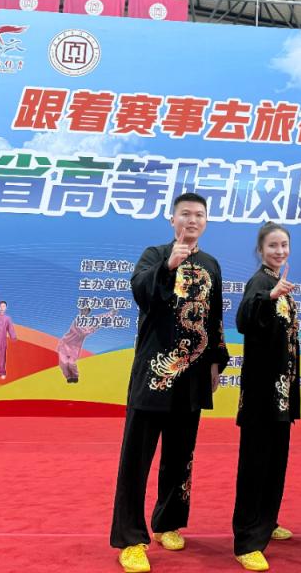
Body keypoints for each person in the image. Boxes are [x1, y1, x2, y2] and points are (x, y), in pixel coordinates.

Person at [111, 192, 229, 573]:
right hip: (154, 374)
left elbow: (214, 318)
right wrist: (168, 266)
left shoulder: (211, 264)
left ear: (206, 222)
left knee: (181, 455)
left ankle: (168, 523)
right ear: (172, 219)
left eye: (199, 215)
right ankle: (130, 539)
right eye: (185, 214)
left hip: (193, 377)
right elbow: (140, 293)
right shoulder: (154, 255)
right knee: (137, 458)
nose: (192, 220)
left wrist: (215, 362)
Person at [231, 222, 301, 572]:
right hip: (261, 395)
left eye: (284, 244)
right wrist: (269, 296)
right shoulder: (260, 283)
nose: (279, 251)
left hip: (281, 395)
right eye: (273, 245)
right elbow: (243, 320)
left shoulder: (279, 283)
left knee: (275, 463)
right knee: (255, 465)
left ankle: (267, 521)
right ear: (260, 250)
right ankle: (247, 540)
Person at [57, 307, 115, 383]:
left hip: (75, 347)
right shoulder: (77, 321)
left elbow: (100, 318)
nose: (84, 311)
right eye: (83, 310)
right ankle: (68, 377)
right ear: (80, 310)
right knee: (64, 363)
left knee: (71, 363)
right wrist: (93, 328)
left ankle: (74, 376)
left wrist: (111, 313)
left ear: (88, 312)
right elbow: (80, 331)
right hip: (65, 344)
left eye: (86, 310)